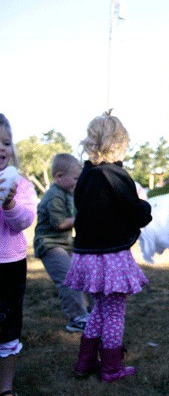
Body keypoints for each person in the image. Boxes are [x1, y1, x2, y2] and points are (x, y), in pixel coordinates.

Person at [64, 111, 152, 383]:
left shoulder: (86, 177)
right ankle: (112, 367)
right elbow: (137, 213)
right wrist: (144, 205)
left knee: (98, 310)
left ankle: (85, 361)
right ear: (120, 143)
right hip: (109, 257)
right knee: (114, 313)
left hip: (86, 256)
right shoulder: (116, 175)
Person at [0, 113, 37, 396]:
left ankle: (6, 386)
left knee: (9, 325)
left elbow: (23, 221)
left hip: (10, 265)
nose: (2, 148)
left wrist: (9, 202)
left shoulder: (22, 186)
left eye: (6, 142)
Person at [34, 153, 92, 333]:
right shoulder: (54, 196)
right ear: (59, 176)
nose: (78, 181)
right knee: (69, 279)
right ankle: (76, 318)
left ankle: (90, 312)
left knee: (85, 273)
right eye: (75, 178)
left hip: (66, 244)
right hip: (49, 244)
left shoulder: (67, 192)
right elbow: (59, 223)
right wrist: (81, 217)